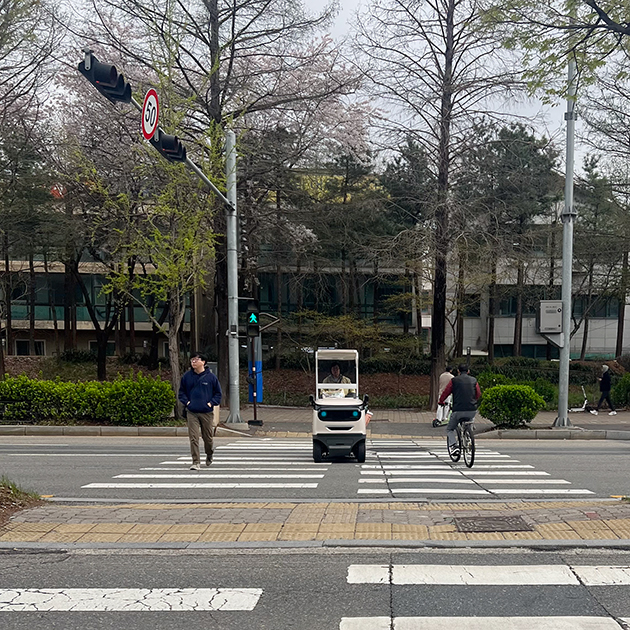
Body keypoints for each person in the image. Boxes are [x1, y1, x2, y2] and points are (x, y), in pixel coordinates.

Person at [178, 352, 222, 470]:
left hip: (206, 412)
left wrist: (210, 403)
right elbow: (181, 393)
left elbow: (218, 394)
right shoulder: (187, 376)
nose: (193, 361)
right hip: (192, 411)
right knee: (193, 437)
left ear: (203, 362)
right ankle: (196, 461)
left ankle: (209, 453)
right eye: (192, 359)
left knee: (208, 438)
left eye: (196, 359)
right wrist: (187, 402)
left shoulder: (211, 377)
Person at [438, 364, 481, 456]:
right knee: (469, 422)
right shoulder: (474, 380)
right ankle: (469, 438)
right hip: (472, 410)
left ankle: (454, 446)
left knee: (450, 429)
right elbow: (478, 393)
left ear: (458, 371)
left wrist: (441, 401)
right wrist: (474, 401)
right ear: (468, 371)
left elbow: (446, 392)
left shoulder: (454, 381)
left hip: (458, 410)